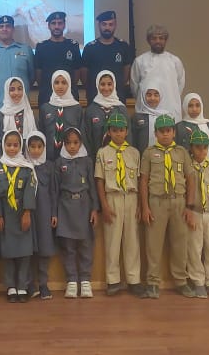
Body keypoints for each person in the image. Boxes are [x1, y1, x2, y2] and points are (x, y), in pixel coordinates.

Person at [138, 114, 192, 299]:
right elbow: (143, 180)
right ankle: (153, 282)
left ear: (174, 132)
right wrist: (145, 207)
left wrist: (190, 206)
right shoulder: (149, 152)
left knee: (180, 243)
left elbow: (190, 178)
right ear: (155, 133)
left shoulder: (182, 152)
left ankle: (181, 281)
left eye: (168, 130)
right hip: (157, 202)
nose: (165, 134)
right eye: (161, 131)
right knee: (153, 245)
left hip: (179, 202)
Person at [94, 113, 143, 297]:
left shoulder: (134, 153)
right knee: (112, 241)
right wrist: (104, 205)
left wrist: (140, 204)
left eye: (121, 130)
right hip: (112, 197)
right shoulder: (102, 153)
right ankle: (113, 280)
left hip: (131, 197)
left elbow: (139, 180)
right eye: (114, 130)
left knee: (132, 240)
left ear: (127, 131)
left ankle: (134, 279)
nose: (118, 134)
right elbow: (99, 180)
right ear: (109, 132)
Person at [0, 130, 37, 303]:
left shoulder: (26, 167)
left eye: (15, 145)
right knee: (8, 252)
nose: (11, 148)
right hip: (6, 214)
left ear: (20, 146)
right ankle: (11, 286)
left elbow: (30, 190)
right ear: (3, 145)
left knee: (24, 253)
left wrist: (27, 212)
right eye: (8, 145)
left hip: (22, 213)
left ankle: (22, 286)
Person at [53, 127, 98, 299]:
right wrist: (54, 213)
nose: (72, 146)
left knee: (85, 245)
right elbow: (54, 190)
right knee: (68, 246)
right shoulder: (59, 163)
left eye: (75, 143)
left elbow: (92, 186)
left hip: (84, 206)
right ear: (63, 144)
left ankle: (85, 280)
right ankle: (71, 281)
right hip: (65, 207)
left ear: (81, 143)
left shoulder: (87, 161)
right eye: (68, 143)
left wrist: (94, 209)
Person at [185, 131, 209, 299]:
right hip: (195, 213)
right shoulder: (188, 168)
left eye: (204, 148)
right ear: (191, 148)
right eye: (198, 148)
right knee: (194, 249)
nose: (201, 151)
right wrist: (189, 212)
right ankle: (198, 282)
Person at [130, 25, 186, 120]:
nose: (158, 41)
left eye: (161, 38)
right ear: (148, 40)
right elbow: (135, 86)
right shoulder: (140, 61)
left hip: (170, 109)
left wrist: (170, 97)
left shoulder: (174, 61)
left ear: (166, 40)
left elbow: (180, 84)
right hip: (146, 110)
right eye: (154, 38)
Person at [25, 131, 56, 300]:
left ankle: (43, 284)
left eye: (39, 147)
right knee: (29, 248)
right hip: (28, 213)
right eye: (32, 147)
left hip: (44, 212)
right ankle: (30, 284)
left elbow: (53, 191)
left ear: (44, 148)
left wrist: (54, 213)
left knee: (44, 248)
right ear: (27, 148)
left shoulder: (49, 166)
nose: (36, 150)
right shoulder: (23, 165)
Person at [81, 10, 134, 103]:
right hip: (95, 97)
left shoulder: (123, 46)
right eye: (104, 24)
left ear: (115, 25)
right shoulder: (90, 48)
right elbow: (84, 75)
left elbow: (126, 73)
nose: (107, 28)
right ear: (99, 26)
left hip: (117, 97)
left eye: (110, 24)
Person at [33, 12, 82, 106]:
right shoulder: (41, 47)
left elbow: (77, 72)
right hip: (47, 97)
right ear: (48, 26)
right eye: (53, 23)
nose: (56, 26)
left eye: (60, 23)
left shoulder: (73, 45)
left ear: (64, 25)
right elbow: (38, 75)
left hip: (69, 96)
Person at [82, 70, 129, 157]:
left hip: (119, 158)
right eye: (102, 84)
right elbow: (87, 138)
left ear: (114, 85)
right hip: (96, 158)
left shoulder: (122, 110)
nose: (106, 88)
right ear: (97, 85)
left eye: (109, 84)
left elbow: (129, 137)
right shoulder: (91, 110)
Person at [0, 77, 37, 152]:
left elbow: (35, 138)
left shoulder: (28, 112)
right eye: (12, 90)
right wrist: (11, 155)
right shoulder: (1, 114)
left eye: (19, 89)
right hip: (7, 156)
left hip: (28, 156)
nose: (16, 93)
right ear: (7, 92)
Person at [175, 93, 209, 164]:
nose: (194, 109)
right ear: (185, 107)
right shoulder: (179, 126)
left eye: (197, 105)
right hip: (186, 167)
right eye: (190, 106)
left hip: (208, 166)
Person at [132, 80, 173, 152]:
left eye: (156, 95)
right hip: (142, 156)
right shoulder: (138, 116)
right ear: (143, 96)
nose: (152, 98)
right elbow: (133, 139)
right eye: (149, 95)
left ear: (161, 96)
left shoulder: (168, 117)